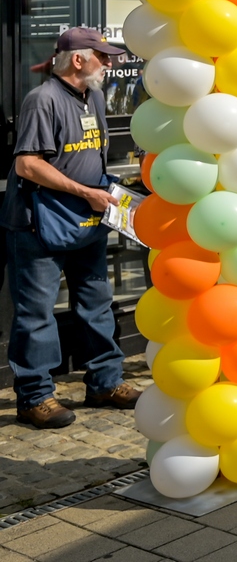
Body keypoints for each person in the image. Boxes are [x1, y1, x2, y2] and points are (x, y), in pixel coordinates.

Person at [2, 29, 139, 429]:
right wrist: (85, 191)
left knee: (97, 303)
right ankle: (35, 397)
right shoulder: (42, 99)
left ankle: (104, 382)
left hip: (85, 222)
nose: (110, 63)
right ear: (78, 60)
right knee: (36, 314)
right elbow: (27, 164)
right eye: (103, 56)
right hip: (36, 227)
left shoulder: (93, 96)